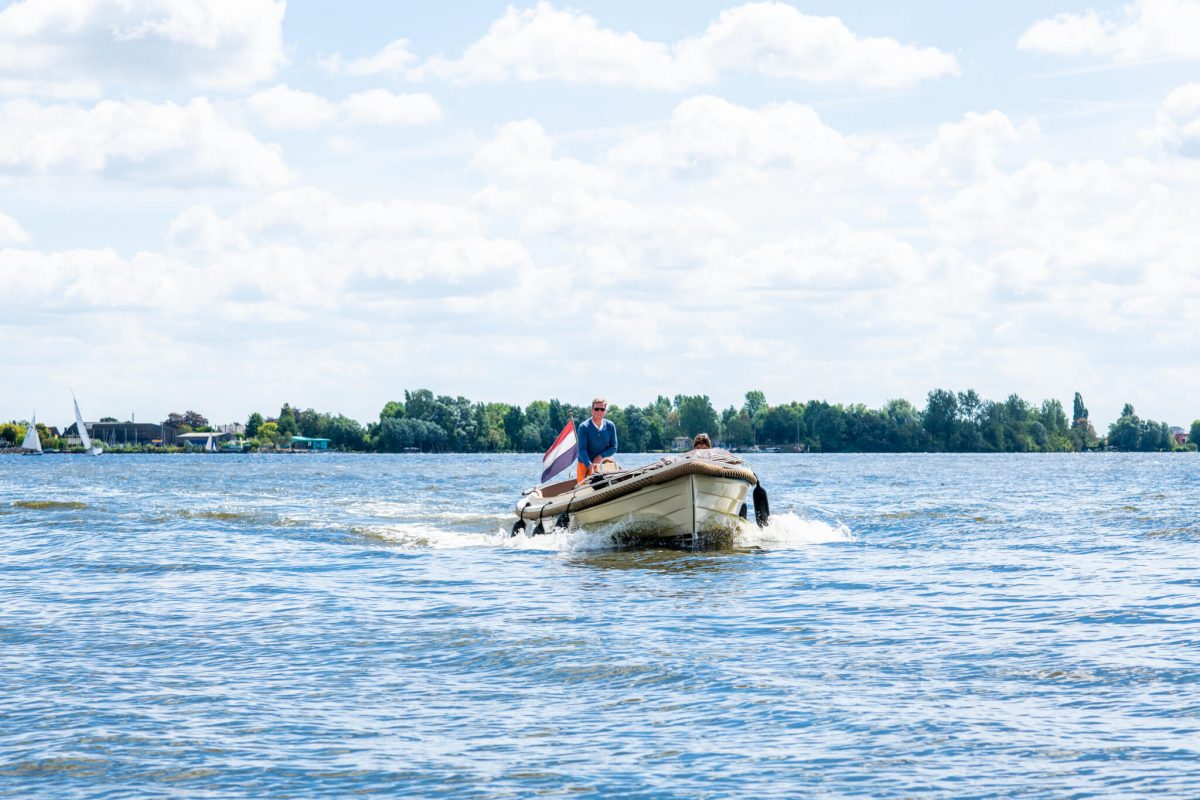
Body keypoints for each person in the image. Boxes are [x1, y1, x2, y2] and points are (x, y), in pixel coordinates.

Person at [577, 397, 617, 484]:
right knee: (583, 489)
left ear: (605, 411)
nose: (599, 411)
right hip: (585, 464)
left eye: (602, 409)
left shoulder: (610, 426)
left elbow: (614, 447)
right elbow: (582, 450)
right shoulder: (584, 427)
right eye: (596, 409)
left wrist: (600, 456)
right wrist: (589, 464)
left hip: (603, 463)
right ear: (592, 411)